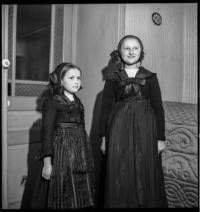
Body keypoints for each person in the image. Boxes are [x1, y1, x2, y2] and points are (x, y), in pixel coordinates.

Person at [99, 35, 168, 208]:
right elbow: (105, 110)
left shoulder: (151, 77)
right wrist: (103, 138)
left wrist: (160, 138)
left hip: (145, 129)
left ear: (141, 52)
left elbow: (158, 108)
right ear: (119, 53)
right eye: (126, 48)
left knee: (144, 169)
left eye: (135, 48)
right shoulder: (112, 79)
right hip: (117, 130)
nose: (131, 51)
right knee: (118, 169)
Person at [32, 62, 95, 209]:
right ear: (60, 80)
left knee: (80, 190)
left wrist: (86, 152)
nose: (76, 81)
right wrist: (47, 163)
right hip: (62, 152)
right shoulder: (52, 102)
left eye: (78, 78)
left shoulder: (78, 102)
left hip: (80, 152)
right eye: (71, 78)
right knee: (63, 190)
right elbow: (46, 133)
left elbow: (82, 128)